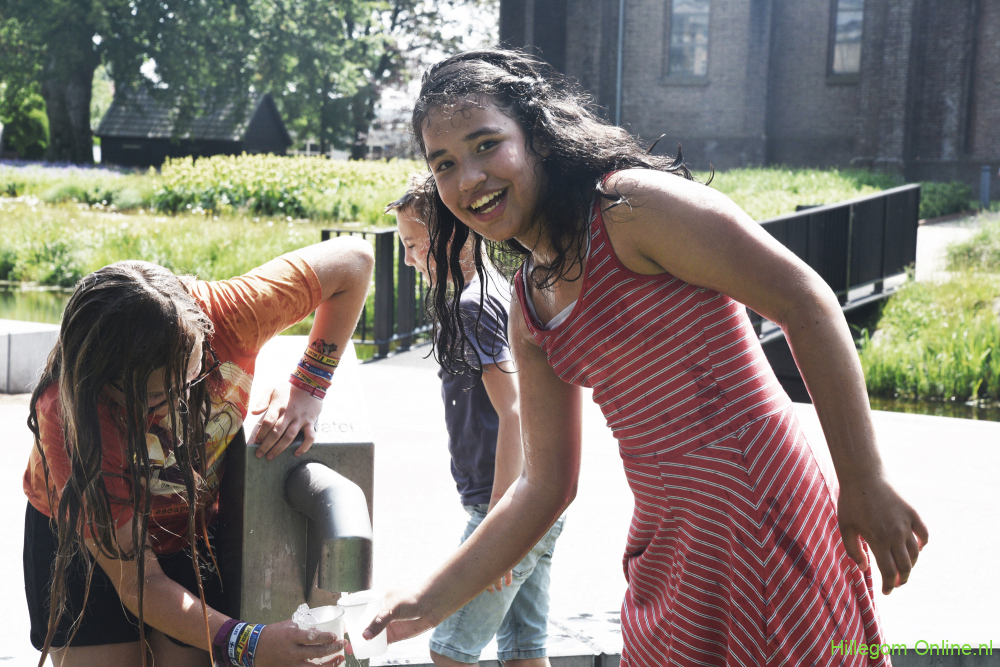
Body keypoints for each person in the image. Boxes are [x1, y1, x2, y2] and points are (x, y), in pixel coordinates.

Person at [363, 49, 930, 666]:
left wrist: (864, 478)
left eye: (486, 144)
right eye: (444, 163)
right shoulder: (530, 305)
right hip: (668, 539)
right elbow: (544, 486)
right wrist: (429, 598)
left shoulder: (630, 209)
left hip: (759, 509)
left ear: (537, 137)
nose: (469, 177)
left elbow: (805, 302)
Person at [22, 236, 374, 667]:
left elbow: (354, 261)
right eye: (154, 398)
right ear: (102, 382)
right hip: (87, 542)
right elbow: (139, 581)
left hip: (189, 525)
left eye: (190, 380)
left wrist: (310, 383)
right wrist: (251, 643)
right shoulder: (68, 416)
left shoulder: (233, 314)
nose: (177, 406)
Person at [386, 177, 565, 667]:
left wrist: (499, 524)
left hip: (506, 505)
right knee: (525, 652)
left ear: (454, 237)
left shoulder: (472, 307)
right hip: (534, 502)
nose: (408, 259)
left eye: (413, 245)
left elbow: (514, 409)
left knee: (449, 650)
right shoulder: (497, 291)